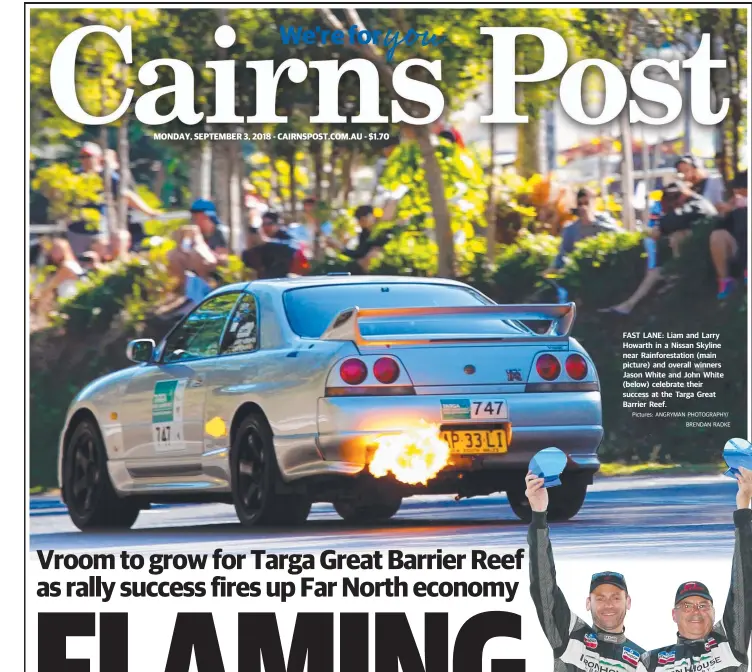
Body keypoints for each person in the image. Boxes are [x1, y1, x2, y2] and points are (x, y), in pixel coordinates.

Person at [525, 471, 646, 671]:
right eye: (600, 598)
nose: (608, 604)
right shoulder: (570, 635)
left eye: (616, 597)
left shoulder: (642, 661)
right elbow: (543, 586)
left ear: (629, 602)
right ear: (588, 603)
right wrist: (539, 515)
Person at [637, 467, 752, 672]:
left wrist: (743, 508)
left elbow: (743, 583)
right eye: (687, 606)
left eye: (703, 605)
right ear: (674, 614)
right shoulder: (650, 661)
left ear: (714, 612)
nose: (696, 612)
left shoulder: (729, 644)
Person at [601, 181, 717, 315]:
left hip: (703, 258)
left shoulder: (699, 205)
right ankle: (629, 305)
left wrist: (661, 228)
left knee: (678, 237)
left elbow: (679, 218)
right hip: (680, 259)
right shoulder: (684, 208)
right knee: (654, 272)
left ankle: (677, 277)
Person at [166, 199, 229, 308]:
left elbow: (222, 257)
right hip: (193, 268)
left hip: (211, 268)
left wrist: (200, 244)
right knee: (174, 255)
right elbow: (183, 250)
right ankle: (182, 290)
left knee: (197, 253)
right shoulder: (193, 231)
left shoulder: (219, 231)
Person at [542, 187, 621, 274]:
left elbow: (619, 235)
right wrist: (553, 268)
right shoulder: (571, 229)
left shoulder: (604, 220)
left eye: (586, 203)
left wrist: (592, 222)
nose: (583, 207)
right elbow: (563, 254)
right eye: (580, 204)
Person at [710, 170, 747, 299]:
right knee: (717, 236)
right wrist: (728, 211)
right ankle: (726, 282)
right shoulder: (735, 205)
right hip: (739, 249)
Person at [326, 204, 389, 274]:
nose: (362, 222)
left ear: (371, 216)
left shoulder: (381, 232)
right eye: (360, 220)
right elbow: (359, 254)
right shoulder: (364, 234)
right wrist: (340, 247)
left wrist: (341, 247)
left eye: (364, 219)